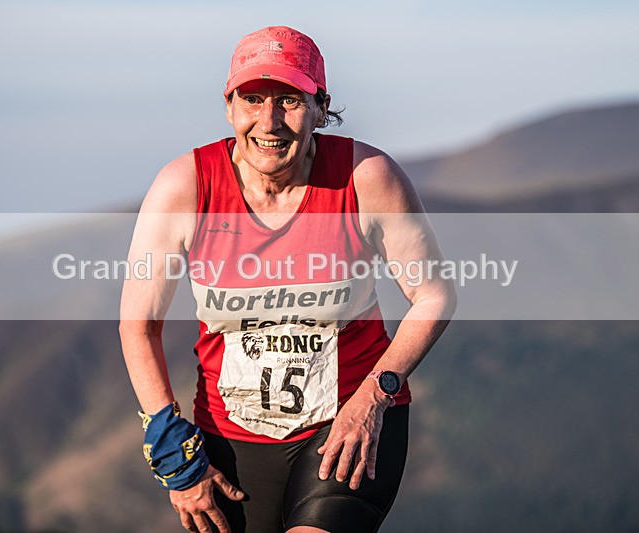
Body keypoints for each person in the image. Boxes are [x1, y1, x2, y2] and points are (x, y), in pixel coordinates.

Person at [119, 25, 456, 533]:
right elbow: (137, 324)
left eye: (290, 100)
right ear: (230, 107)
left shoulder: (366, 178)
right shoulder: (184, 187)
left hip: (348, 424)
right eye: (252, 99)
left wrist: (373, 395)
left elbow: (434, 294)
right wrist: (171, 450)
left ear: (321, 108)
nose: (269, 121)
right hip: (229, 436)